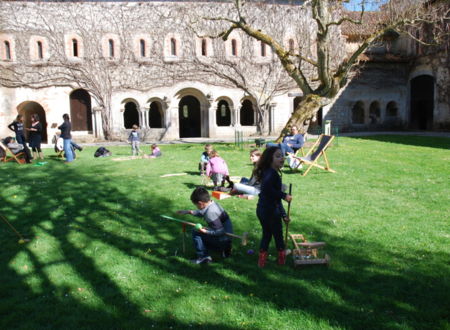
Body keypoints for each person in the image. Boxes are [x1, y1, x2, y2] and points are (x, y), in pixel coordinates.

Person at [254, 146, 292, 268]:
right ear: (270, 159)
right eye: (278, 156)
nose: (282, 158)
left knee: (267, 233)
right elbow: (268, 190)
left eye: (282, 155)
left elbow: (273, 198)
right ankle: (281, 258)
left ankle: (262, 261)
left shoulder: (268, 172)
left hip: (262, 209)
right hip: (270, 210)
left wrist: (284, 215)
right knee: (278, 235)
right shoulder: (272, 174)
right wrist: (284, 195)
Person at [177, 187, 233, 264]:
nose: (197, 207)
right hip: (227, 237)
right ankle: (226, 249)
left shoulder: (210, 213)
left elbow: (220, 231)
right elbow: (202, 212)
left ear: (200, 203)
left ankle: (204, 257)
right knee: (202, 232)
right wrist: (188, 212)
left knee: (196, 232)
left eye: (196, 205)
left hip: (223, 238)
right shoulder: (213, 204)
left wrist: (205, 231)